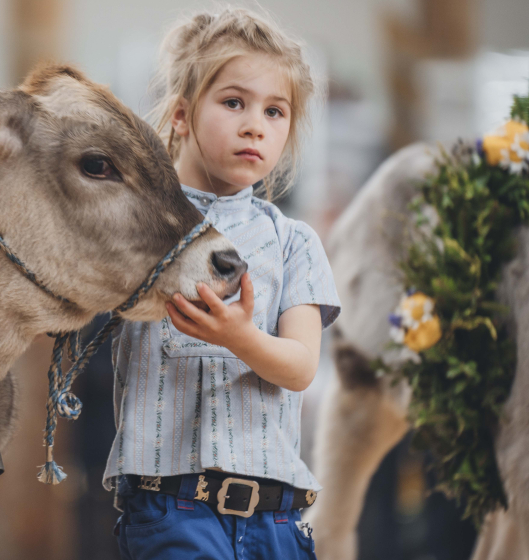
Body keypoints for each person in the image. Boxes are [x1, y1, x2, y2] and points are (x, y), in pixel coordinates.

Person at [104, 8, 340, 559]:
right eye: (234, 102)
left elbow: (301, 366)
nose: (255, 124)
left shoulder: (294, 241)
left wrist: (240, 338)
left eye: (275, 111)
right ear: (182, 115)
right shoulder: (140, 222)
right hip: (171, 510)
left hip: (279, 521)